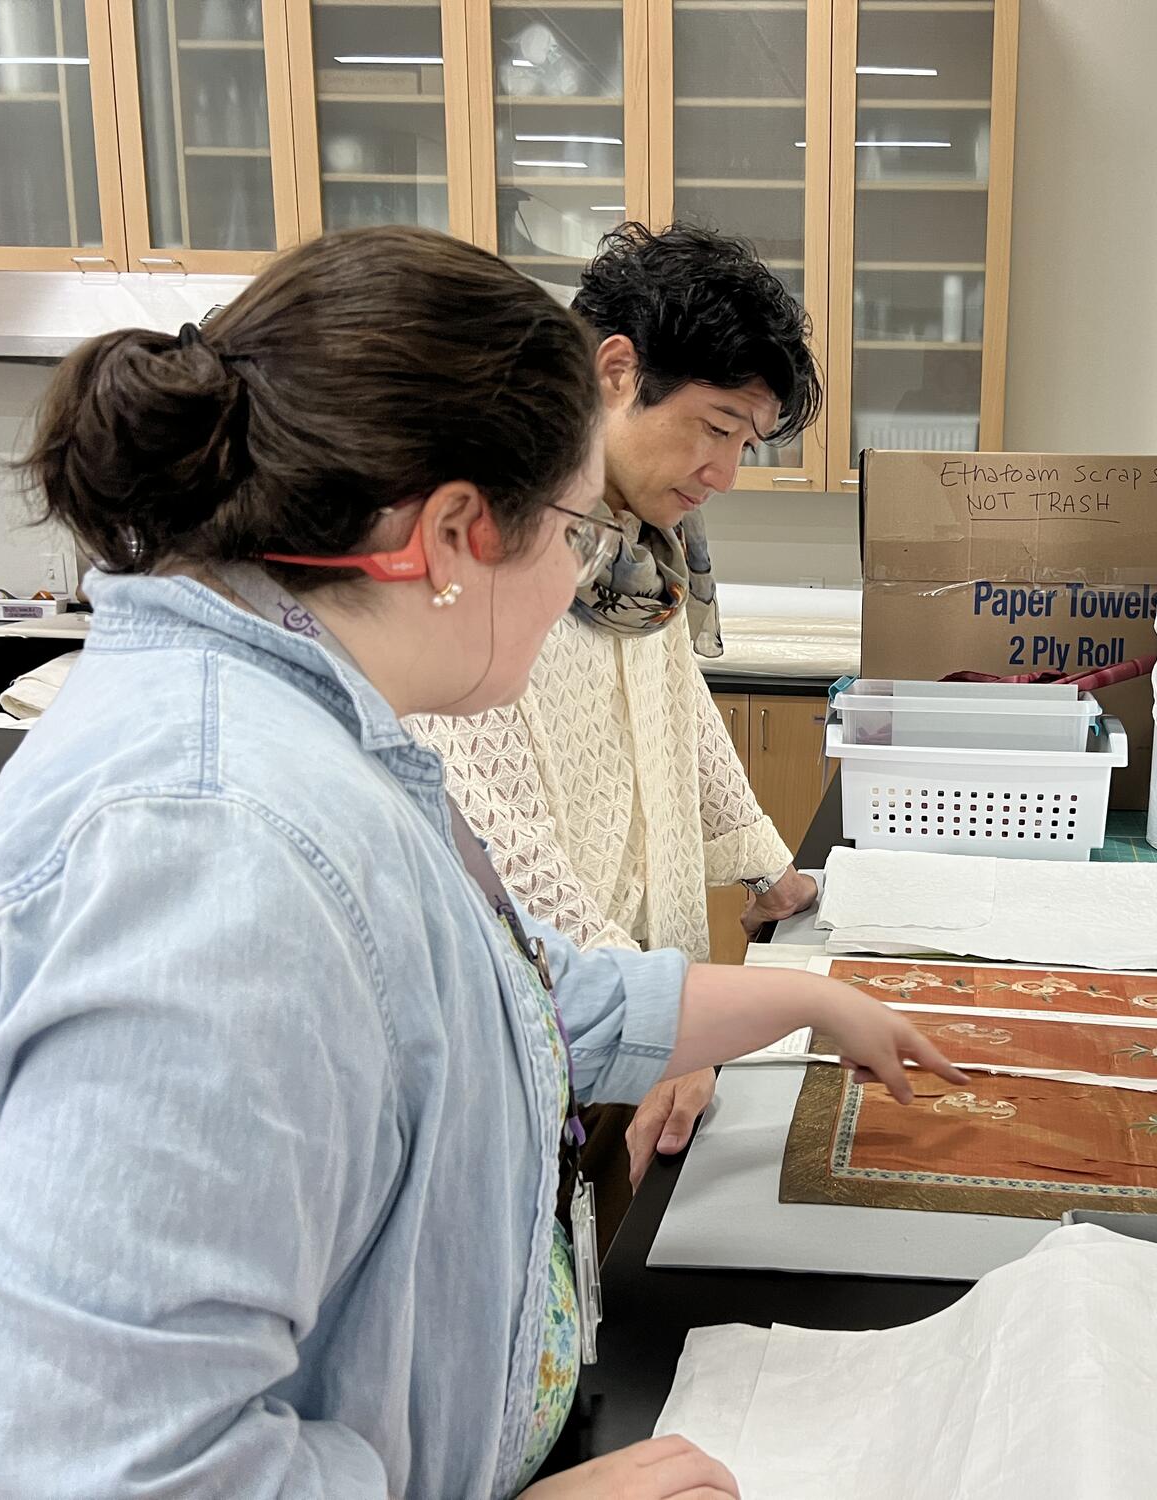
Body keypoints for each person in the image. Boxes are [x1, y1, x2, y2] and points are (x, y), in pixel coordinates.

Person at [0, 226, 960, 1499]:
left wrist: (808, 996)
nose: (573, 578)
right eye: (564, 531)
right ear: (448, 537)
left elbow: (505, 997)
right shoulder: (212, 855)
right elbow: (101, 1468)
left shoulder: (320, 734)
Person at [418, 223, 827, 1221]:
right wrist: (650, 1020)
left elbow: (677, 704)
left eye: (743, 441)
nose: (724, 469)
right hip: (561, 1003)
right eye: (714, 426)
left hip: (646, 983)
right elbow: (491, 838)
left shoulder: (639, 548)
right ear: (613, 370)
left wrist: (768, 867)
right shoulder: (493, 551)